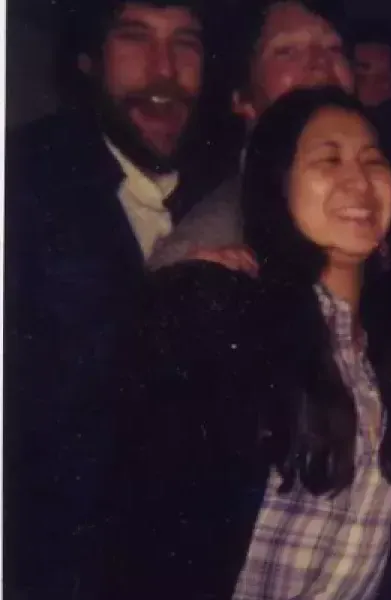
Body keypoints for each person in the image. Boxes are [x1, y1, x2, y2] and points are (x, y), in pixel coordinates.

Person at [101, 87, 391, 600]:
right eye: (328, 159)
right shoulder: (222, 316)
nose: (358, 180)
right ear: (279, 185)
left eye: (373, 160)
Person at [4, 1, 208, 596]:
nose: (165, 70)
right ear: (89, 61)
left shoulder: (217, 192)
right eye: (135, 38)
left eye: (187, 43)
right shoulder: (24, 182)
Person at [146, 0, 354, 269]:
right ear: (242, 98)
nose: (320, 63)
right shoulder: (211, 248)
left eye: (334, 48)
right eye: (286, 51)